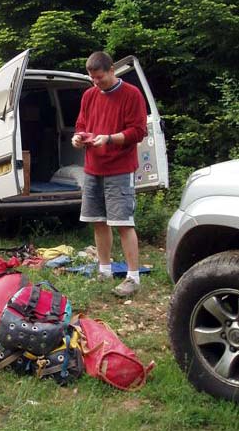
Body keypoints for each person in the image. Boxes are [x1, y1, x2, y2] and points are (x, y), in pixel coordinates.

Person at [71, 51, 147, 297]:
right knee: (98, 221)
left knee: (123, 223)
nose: (96, 82)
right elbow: (82, 124)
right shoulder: (89, 95)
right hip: (93, 167)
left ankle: (133, 277)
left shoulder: (131, 94)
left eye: (100, 78)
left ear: (112, 70)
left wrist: (110, 139)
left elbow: (138, 131)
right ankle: (104, 271)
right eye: (92, 78)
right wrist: (78, 137)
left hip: (120, 168)